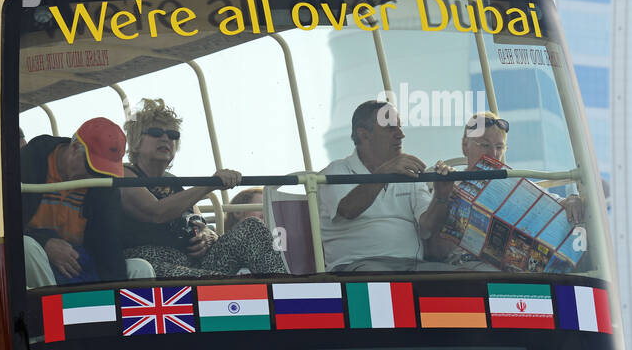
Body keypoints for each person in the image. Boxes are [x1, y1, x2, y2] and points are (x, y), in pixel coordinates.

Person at [117, 99, 285, 278]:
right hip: (149, 262)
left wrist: (208, 235)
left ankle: (281, 288)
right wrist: (209, 184)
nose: (166, 138)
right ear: (135, 141)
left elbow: (197, 220)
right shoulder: (124, 174)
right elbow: (156, 212)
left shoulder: (175, 183)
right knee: (217, 281)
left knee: (252, 227)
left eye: (173, 135)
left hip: (192, 263)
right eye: (156, 132)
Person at [427, 111, 583, 267]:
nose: (493, 154)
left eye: (499, 147)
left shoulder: (515, 186)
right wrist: (445, 202)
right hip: (463, 275)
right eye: (485, 145)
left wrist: (572, 200)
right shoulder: (446, 186)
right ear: (465, 146)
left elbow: (551, 203)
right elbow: (436, 251)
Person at [317, 100, 454, 272]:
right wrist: (384, 173)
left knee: (462, 279)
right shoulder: (336, 171)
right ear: (363, 135)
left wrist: (441, 196)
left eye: (400, 127)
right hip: (357, 266)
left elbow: (428, 225)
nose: (400, 134)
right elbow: (348, 209)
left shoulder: (409, 174)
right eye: (390, 128)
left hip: (412, 268)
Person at [22, 117, 154, 287]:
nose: (94, 178)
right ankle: (54, 310)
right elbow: (6, 224)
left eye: (103, 172)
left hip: (80, 262)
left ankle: (114, 312)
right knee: (26, 246)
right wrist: (44, 243)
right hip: (38, 260)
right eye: (93, 167)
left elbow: (108, 243)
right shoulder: (28, 163)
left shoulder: (102, 184)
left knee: (140, 268)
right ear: (75, 147)